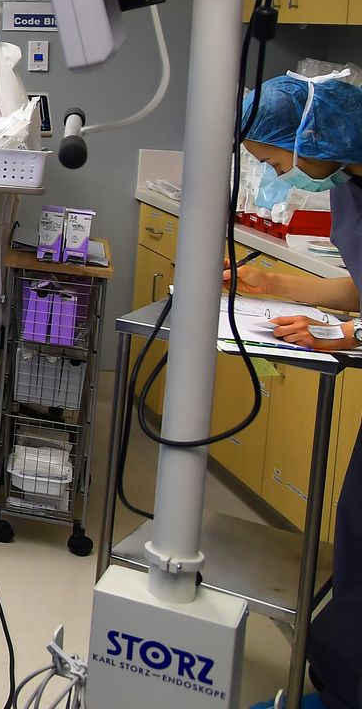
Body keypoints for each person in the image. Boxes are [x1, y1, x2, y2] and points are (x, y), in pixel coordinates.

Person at [226, 71, 362, 709]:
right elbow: (358, 289)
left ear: (315, 134)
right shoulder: (352, 186)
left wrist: (337, 339)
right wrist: (275, 285)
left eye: (277, 158)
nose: (279, 174)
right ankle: (337, 682)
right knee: (355, 534)